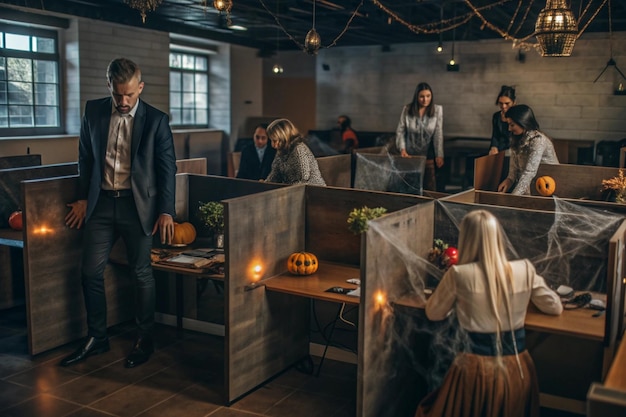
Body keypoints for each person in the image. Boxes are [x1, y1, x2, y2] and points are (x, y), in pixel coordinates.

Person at [61, 58, 176, 368]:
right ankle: (97, 337)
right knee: (89, 272)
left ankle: (145, 338)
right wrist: (84, 198)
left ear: (140, 88)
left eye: (130, 95)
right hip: (100, 205)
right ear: (108, 85)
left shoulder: (156, 120)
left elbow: (168, 169)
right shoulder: (93, 111)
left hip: (138, 207)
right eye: (118, 95)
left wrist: (166, 210)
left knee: (141, 273)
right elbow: (85, 158)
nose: (124, 102)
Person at [415, 210, 563, 417]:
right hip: (516, 367)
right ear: (497, 237)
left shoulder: (459, 274)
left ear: (465, 238)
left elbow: (434, 313)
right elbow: (555, 307)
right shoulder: (525, 269)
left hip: (474, 370)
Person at [497, 105, 559, 195]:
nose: (509, 128)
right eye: (508, 124)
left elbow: (529, 172)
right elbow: (513, 169)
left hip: (547, 187)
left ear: (523, 122)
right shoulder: (516, 138)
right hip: (529, 187)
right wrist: (509, 181)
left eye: (512, 125)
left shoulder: (538, 140)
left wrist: (513, 197)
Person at [395, 82, 444, 191]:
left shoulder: (437, 110)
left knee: (429, 187)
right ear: (417, 96)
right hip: (409, 153)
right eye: (422, 96)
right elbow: (400, 130)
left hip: (428, 154)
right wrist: (402, 149)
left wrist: (439, 154)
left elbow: (438, 134)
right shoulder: (407, 109)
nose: (425, 100)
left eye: (428, 96)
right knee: (410, 186)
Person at [265, 118, 326, 186]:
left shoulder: (298, 149)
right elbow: (275, 174)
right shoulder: (281, 150)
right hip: (293, 190)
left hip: (312, 190)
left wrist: (285, 189)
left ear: (284, 137)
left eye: (275, 141)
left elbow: (303, 178)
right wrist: (265, 184)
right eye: (271, 140)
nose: (273, 145)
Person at [489, 85, 516, 155]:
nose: (503, 106)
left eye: (507, 103)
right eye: (501, 103)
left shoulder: (518, 117)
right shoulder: (496, 116)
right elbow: (495, 135)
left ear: (514, 102)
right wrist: (494, 147)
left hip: (514, 151)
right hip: (499, 151)